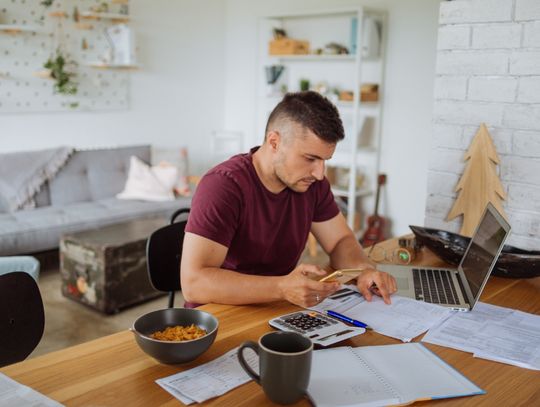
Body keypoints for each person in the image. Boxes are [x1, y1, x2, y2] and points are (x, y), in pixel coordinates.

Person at [181, 91, 397, 308]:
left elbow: (340, 240)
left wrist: (364, 269)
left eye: (325, 160)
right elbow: (194, 284)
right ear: (274, 142)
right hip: (221, 317)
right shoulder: (223, 186)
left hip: (278, 308)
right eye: (310, 158)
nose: (320, 174)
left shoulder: (313, 184)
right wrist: (282, 288)